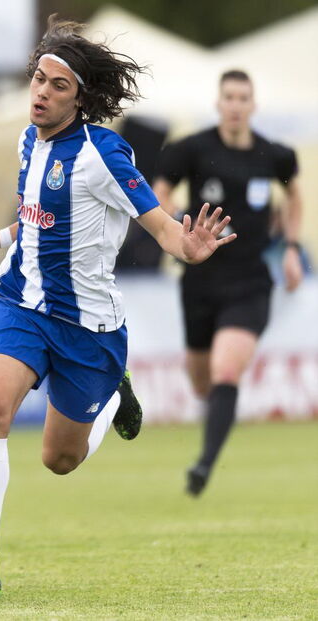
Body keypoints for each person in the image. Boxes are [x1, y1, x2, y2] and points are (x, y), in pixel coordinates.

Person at [0, 16, 236, 598]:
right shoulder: (28, 139)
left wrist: (190, 246)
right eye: (38, 79)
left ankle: (112, 398)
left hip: (88, 325)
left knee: (60, 460)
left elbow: (160, 228)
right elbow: (39, 218)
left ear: (80, 99)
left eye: (58, 85)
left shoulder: (104, 153)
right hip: (20, 304)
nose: (42, 92)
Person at [152, 70, 304, 496]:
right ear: (219, 104)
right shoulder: (192, 150)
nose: (236, 105)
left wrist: (291, 247)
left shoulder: (276, 155)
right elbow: (157, 191)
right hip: (199, 281)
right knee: (202, 381)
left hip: (250, 282)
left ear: (253, 105)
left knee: (225, 369)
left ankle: (203, 465)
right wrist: (176, 225)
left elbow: (294, 196)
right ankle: (209, 439)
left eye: (243, 98)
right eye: (229, 97)